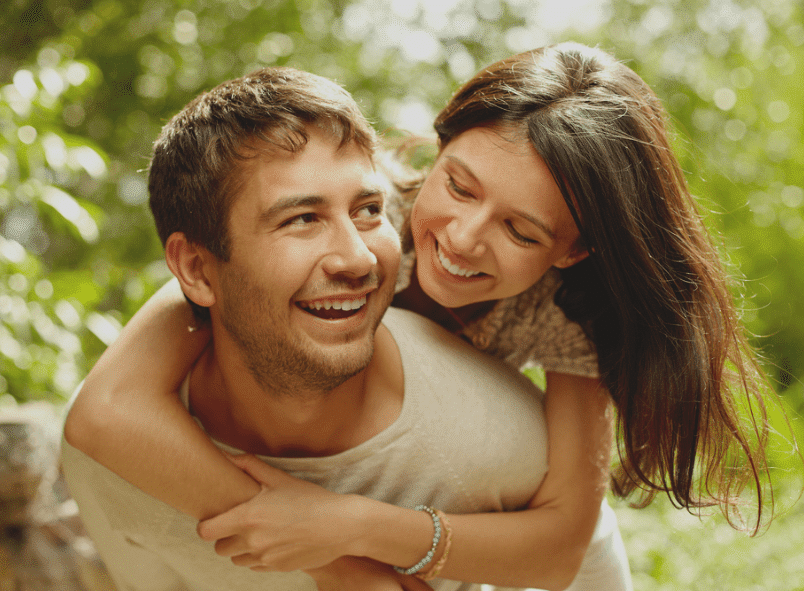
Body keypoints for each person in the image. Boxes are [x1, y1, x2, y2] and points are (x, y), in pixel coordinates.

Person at [67, 40, 774, 587]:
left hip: (505, 518)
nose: (464, 238)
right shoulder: (358, 229)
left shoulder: (567, 312)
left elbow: (561, 544)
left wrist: (352, 528)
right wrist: (337, 559)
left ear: (575, 248)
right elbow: (109, 407)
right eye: (460, 186)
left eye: (521, 232)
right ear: (437, 149)